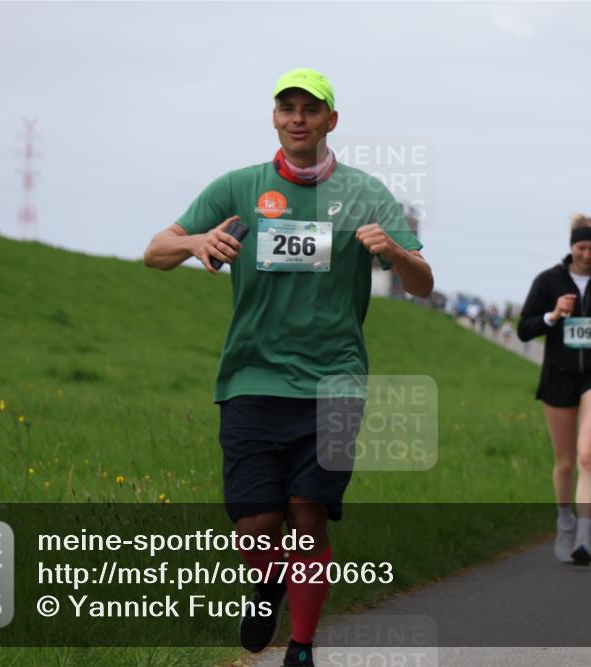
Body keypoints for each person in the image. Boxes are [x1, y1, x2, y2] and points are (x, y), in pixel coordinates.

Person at [143, 68, 432, 667]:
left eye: (310, 108)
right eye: (287, 107)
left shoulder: (365, 194)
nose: (298, 117)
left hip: (336, 382)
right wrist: (196, 243)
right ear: (274, 118)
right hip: (252, 378)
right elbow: (154, 252)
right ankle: (270, 581)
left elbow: (423, 284)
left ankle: (300, 645)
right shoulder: (238, 187)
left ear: (331, 120)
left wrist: (396, 252)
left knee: (307, 515)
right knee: (255, 527)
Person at [518, 214, 591, 565]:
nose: (587, 254)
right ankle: (564, 520)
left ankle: (584, 538)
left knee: (587, 455)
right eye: (582, 247)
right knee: (565, 462)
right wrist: (553, 316)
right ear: (571, 247)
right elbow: (524, 328)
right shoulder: (548, 281)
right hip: (558, 374)